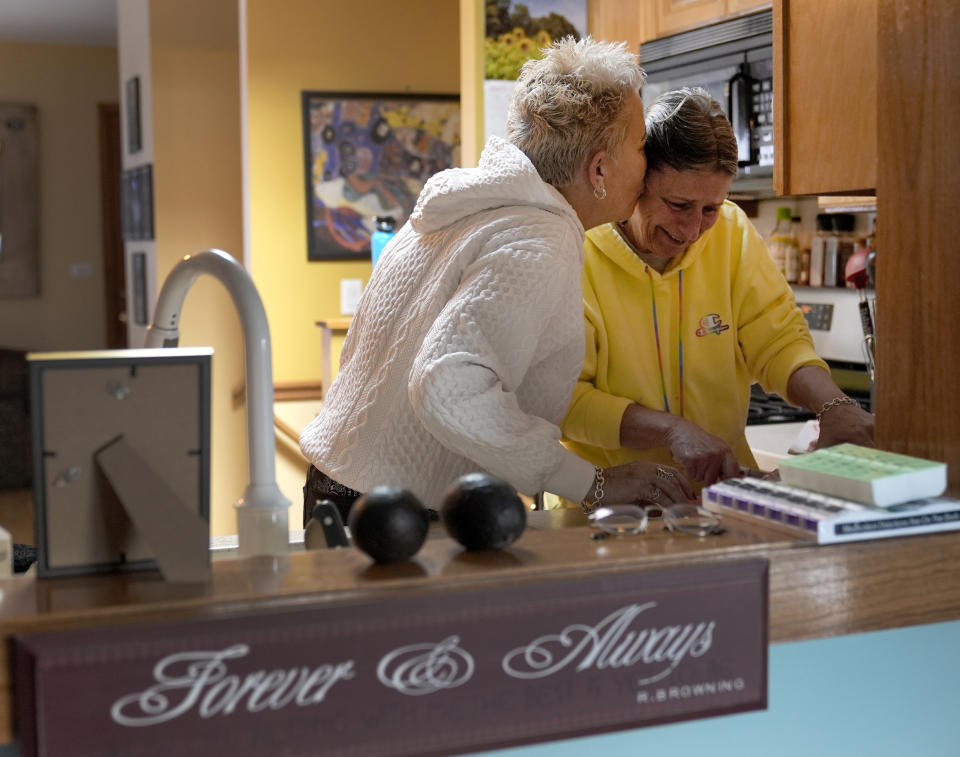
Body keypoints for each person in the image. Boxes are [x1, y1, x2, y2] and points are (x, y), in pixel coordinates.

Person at [299, 37, 695, 527]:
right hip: (401, 516)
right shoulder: (540, 239)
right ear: (598, 169)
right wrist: (590, 482)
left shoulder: (463, 209)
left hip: (335, 486)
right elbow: (446, 385)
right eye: (640, 146)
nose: (648, 164)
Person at [561, 87, 874, 492]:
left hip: (724, 499)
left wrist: (835, 405)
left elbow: (778, 340)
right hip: (607, 506)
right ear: (637, 183)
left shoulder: (732, 230)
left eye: (710, 209)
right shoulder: (575, 247)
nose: (693, 230)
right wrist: (671, 431)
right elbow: (564, 400)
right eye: (678, 205)